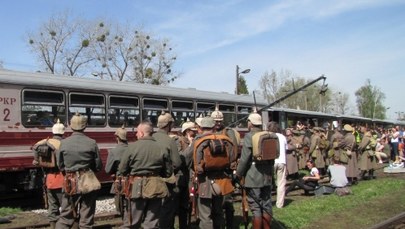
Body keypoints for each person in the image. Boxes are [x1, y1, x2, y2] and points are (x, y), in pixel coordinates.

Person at [118, 120, 173, 228]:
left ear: (142, 133)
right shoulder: (162, 148)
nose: (136, 134)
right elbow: (168, 172)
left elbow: (122, 170)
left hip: (136, 187)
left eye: (137, 132)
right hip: (156, 187)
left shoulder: (132, 147)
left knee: (131, 222)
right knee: (151, 223)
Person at [56, 113, 103, 229]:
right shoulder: (92, 142)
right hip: (88, 181)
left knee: (65, 216)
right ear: (85, 126)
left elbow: (60, 165)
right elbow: (98, 166)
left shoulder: (64, 143)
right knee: (86, 218)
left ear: (71, 126)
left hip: (70, 181)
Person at [193, 116, 235, 229]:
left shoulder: (198, 141)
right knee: (218, 212)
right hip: (221, 181)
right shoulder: (225, 140)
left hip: (204, 182)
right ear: (213, 126)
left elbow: (192, 163)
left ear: (201, 127)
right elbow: (232, 162)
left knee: (205, 215)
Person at [235, 111, 273, 229]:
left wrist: (238, 174)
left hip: (253, 175)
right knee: (266, 205)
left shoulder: (249, 136)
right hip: (267, 175)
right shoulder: (267, 135)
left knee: (256, 206)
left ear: (250, 123)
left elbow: (245, 158)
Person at [32, 119, 65, 229]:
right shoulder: (63, 144)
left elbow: (35, 151)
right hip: (62, 179)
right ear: (63, 132)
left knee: (52, 206)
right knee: (65, 206)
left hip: (49, 180)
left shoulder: (44, 142)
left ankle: (53, 226)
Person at [153, 111, 182, 229]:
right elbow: (177, 163)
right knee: (167, 211)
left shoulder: (150, 137)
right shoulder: (169, 140)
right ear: (168, 125)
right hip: (165, 181)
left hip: (150, 182)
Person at [211, 107, 239, 229]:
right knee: (214, 204)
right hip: (212, 172)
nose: (218, 124)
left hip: (226, 172)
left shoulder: (229, 132)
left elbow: (234, 150)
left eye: (219, 121)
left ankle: (230, 225)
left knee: (227, 202)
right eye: (215, 121)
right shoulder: (209, 133)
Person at [105, 125, 128, 215]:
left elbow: (107, 170)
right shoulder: (133, 149)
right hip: (132, 181)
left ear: (117, 137)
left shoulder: (114, 151)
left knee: (121, 204)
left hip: (120, 182)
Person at [268, 121, 287, 208]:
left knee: (268, 183)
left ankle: (268, 203)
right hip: (282, 161)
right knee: (281, 183)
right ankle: (279, 204)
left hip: (271, 162)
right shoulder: (283, 137)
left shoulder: (268, 136)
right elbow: (286, 148)